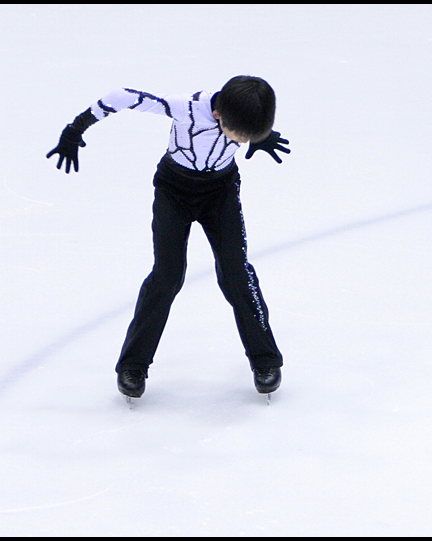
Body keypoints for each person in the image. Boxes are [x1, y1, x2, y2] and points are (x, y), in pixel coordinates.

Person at [47, 76, 289, 400]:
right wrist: (76, 128)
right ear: (219, 116)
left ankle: (266, 361)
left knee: (237, 272)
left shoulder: (242, 110)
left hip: (221, 193)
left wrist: (259, 134)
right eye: (242, 136)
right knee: (167, 275)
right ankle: (133, 365)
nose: (243, 142)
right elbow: (122, 96)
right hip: (174, 192)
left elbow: (245, 125)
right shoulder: (186, 108)